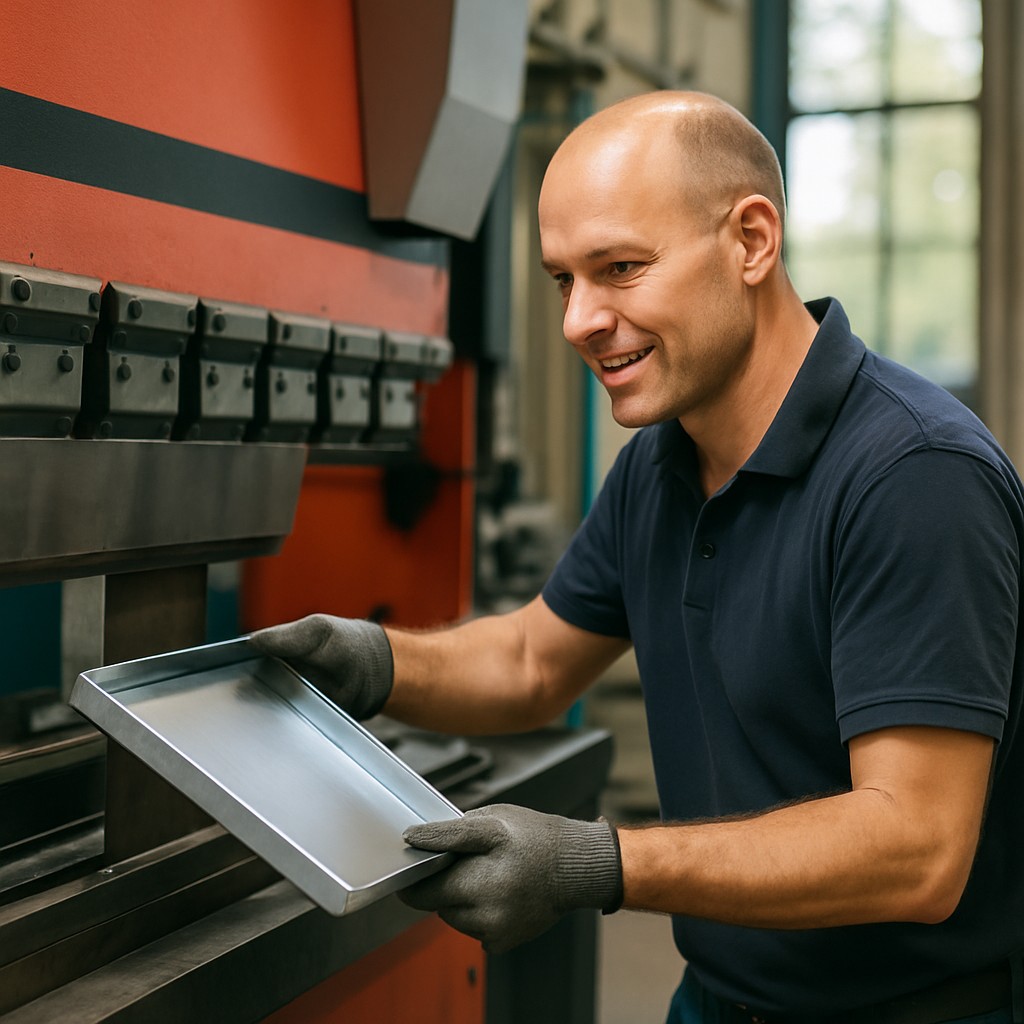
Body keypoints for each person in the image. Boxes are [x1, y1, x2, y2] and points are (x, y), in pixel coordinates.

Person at [250, 92, 1024, 1023]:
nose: (580, 319)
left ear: (750, 242)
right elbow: (535, 660)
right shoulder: (661, 464)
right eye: (562, 280)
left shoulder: (913, 475)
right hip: (718, 1000)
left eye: (620, 267)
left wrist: (596, 862)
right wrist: (368, 660)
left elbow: (916, 847)